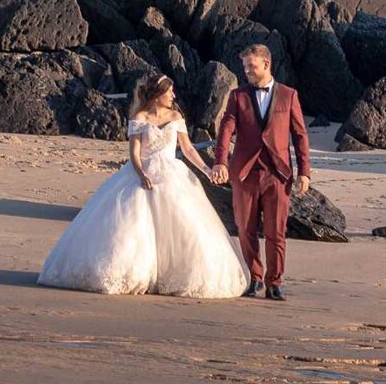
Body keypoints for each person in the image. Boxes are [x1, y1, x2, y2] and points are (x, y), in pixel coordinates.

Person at [37, 72, 247, 298]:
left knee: (182, 224)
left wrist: (206, 170)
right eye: (169, 92)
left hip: (171, 172)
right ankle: (135, 273)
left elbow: (187, 149)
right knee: (134, 224)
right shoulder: (139, 117)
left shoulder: (176, 117)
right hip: (142, 172)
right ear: (157, 95)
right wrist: (141, 173)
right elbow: (134, 152)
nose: (173, 95)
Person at [209, 43, 311, 300]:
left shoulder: (289, 95)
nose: (247, 72)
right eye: (245, 67)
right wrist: (220, 162)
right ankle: (255, 278)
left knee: (276, 232)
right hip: (244, 173)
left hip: (278, 174)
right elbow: (226, 130)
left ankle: (274, 282)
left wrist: (304, 172)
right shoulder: (237, 96)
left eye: (251, 66)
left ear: (266, 64)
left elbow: (300, 135)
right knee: (245, 228)